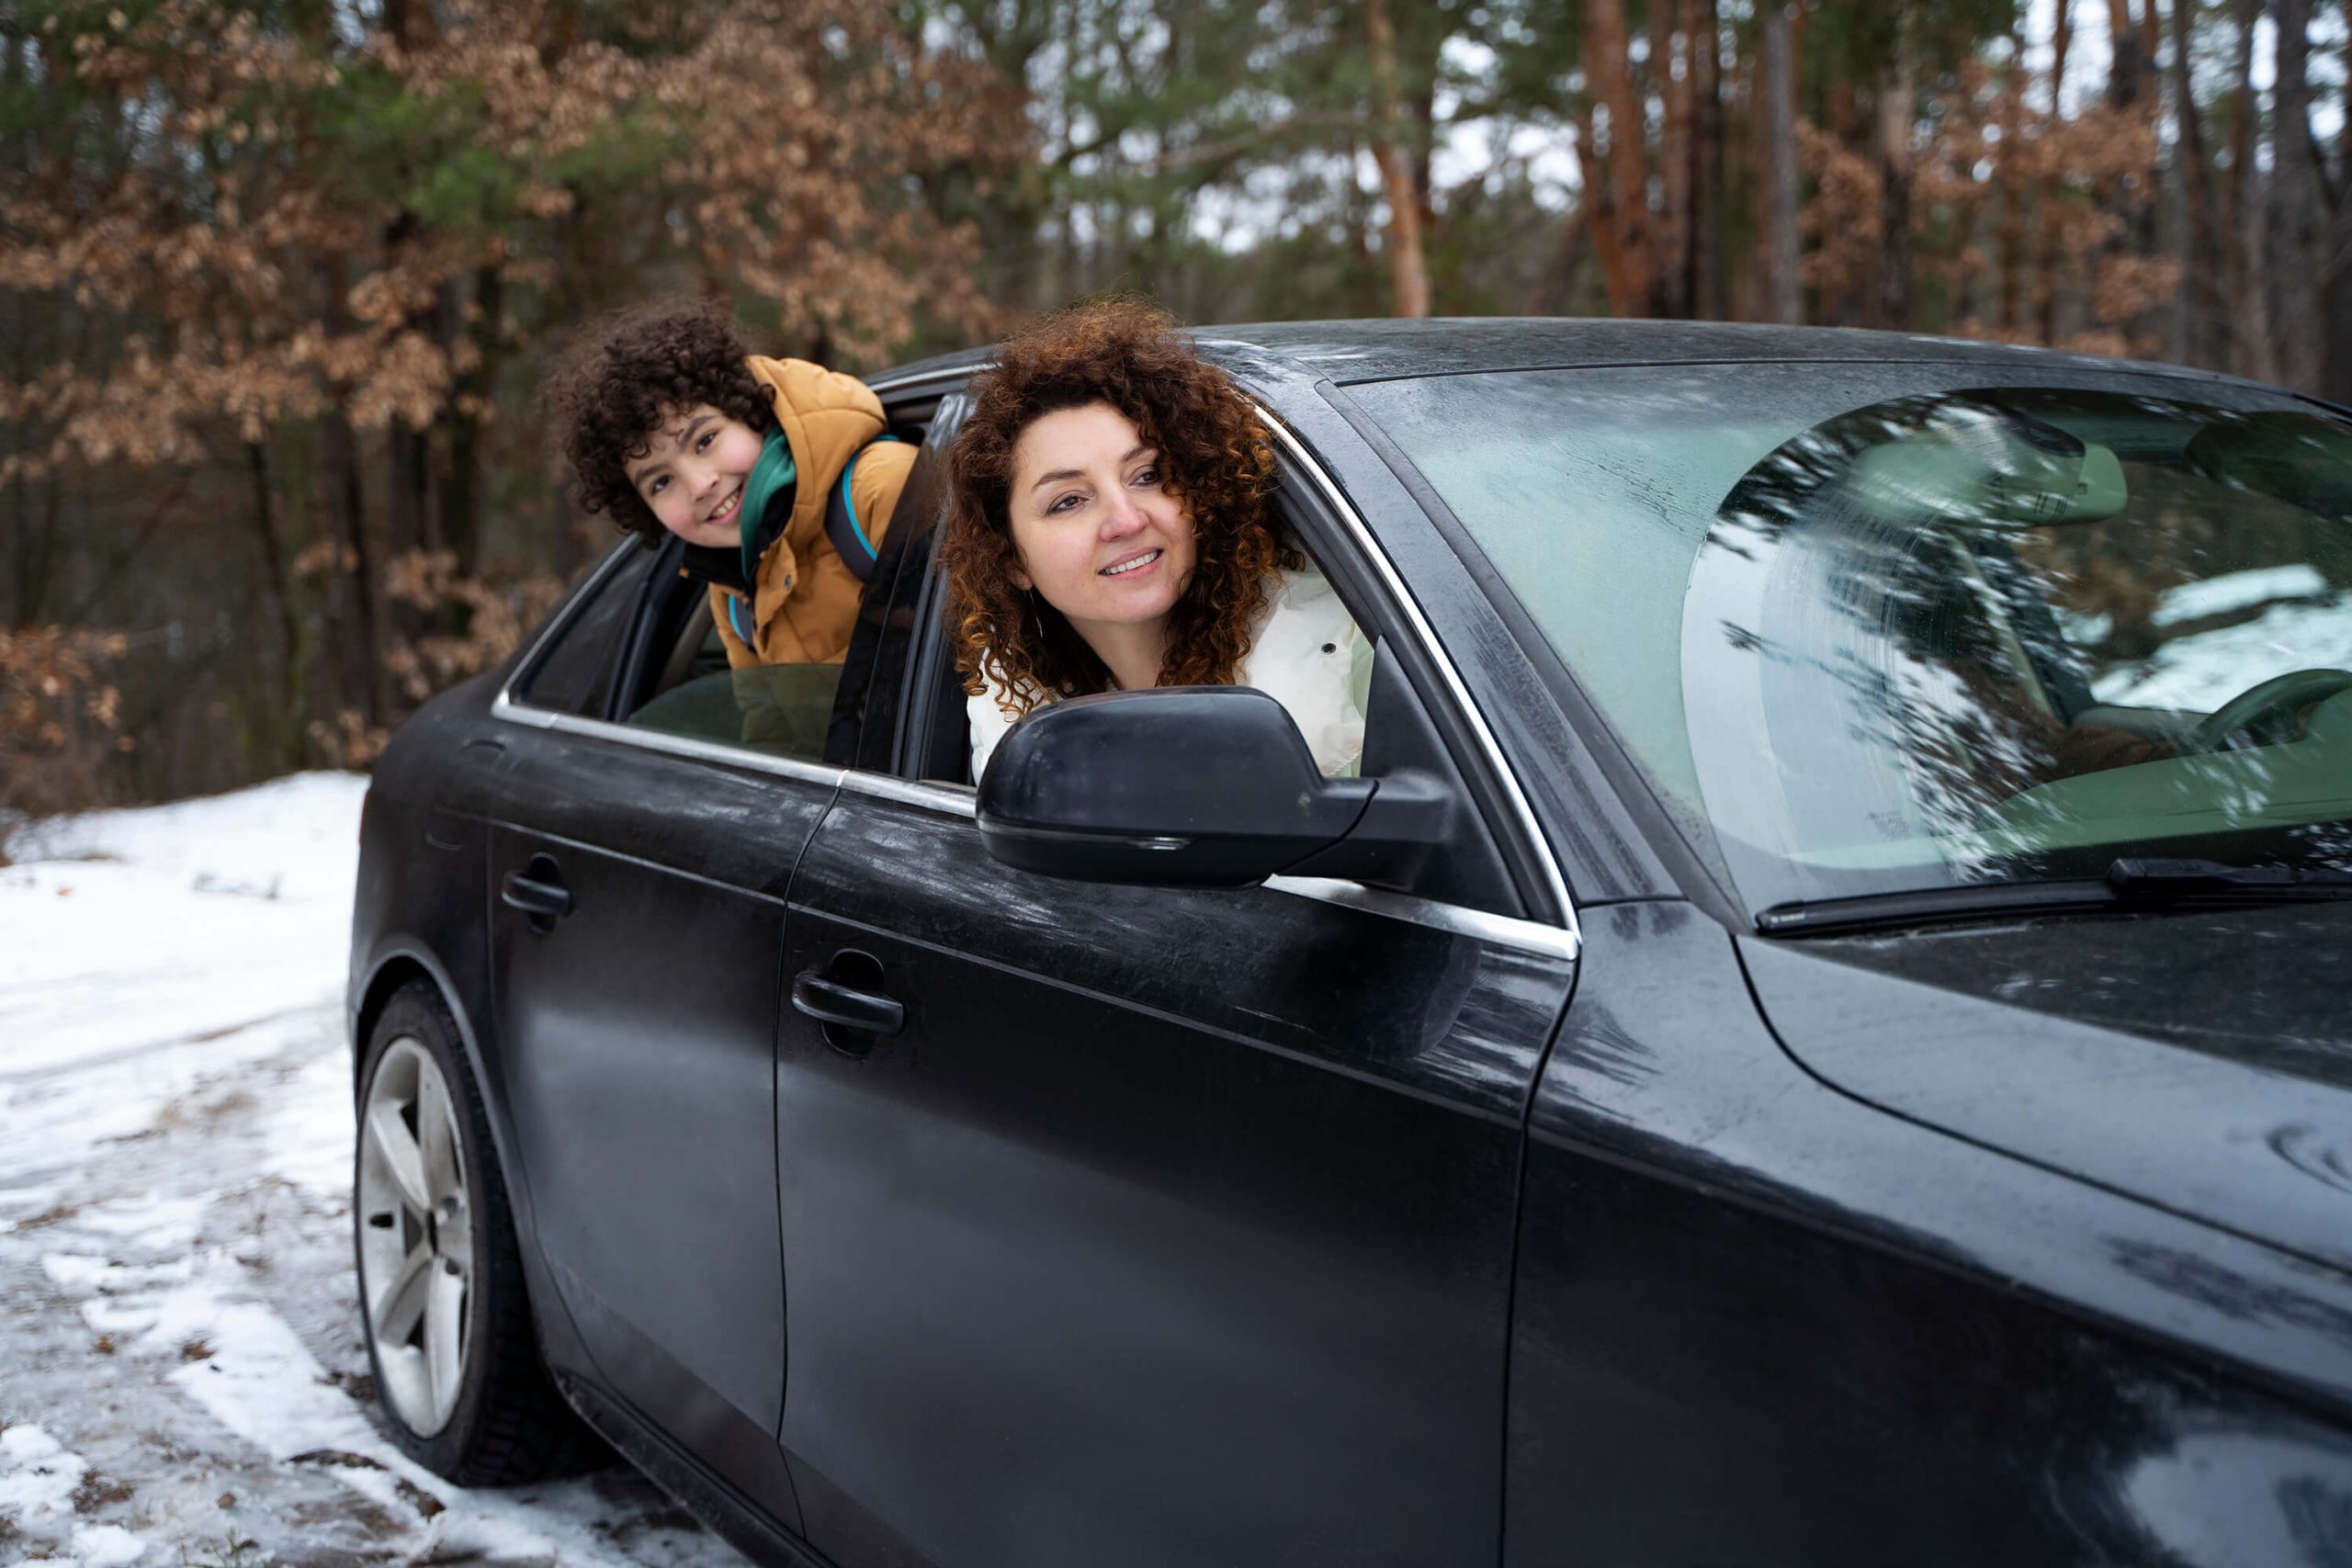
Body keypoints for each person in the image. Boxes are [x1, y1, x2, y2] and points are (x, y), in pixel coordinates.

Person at [939, 298, 1366, 780]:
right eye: (1069, 501)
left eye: (1147, 475)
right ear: (1011, 559)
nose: (1125, 520)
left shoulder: (1360, 660)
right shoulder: (1013, 725)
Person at [547, 299, 917, 670]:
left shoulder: (881, 489)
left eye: (705, 441)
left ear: (750, 413)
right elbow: (769, 726)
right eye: (661, 483)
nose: (699, 485)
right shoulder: (732, 598)